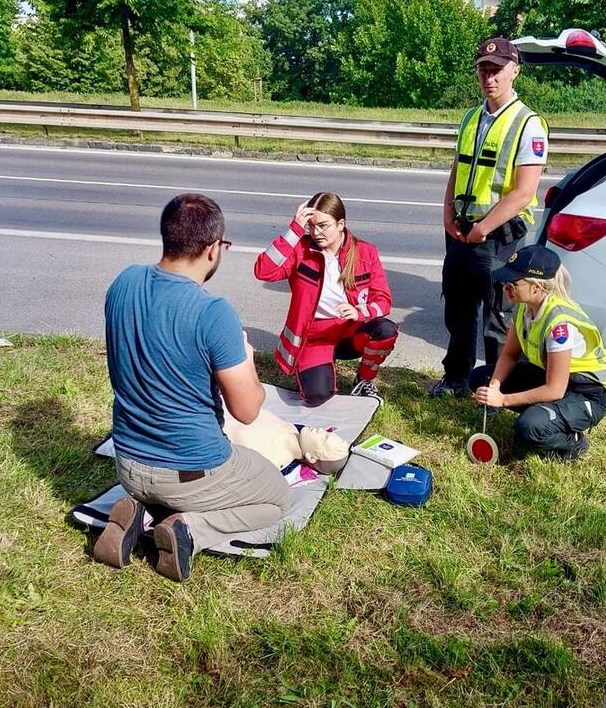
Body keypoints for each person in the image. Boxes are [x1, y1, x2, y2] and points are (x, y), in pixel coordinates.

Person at [94, 193, 291, 582]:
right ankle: (187, 530)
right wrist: (248, 362)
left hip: (128, 463)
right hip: (192, 470)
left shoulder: (124, 282)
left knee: (160, 484)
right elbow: (247, 411)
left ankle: (140, 511)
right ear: (213, 249)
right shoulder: (212, 312)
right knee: (277, 498)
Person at [431, 36, 549, 398]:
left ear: (514, 70)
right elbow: (458, 168)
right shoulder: (471, 117)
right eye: (484, 69)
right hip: (462, 232)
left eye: (497, 69)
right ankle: (456, 379)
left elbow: (523, 192)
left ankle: (495, 388)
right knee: (458, 311)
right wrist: (447, 211)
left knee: (497, 318)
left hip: (497, 237)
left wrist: (483, 227)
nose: (489, 77)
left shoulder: (528, 123)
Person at [469, 245, 606, 461]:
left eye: (512, 284)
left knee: (529, 428)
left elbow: (555, 390)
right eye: (505, 283)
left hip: (584, 393)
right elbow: (509, 355)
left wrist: (504, 400)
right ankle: (543, 413)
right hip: (552, 379)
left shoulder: (559, 325)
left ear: (536, 287)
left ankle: (573, 443)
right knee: (480, 378)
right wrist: (495, 387)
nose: (505, 288)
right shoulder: (524, 307)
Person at [255, 192, 398, 406]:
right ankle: (320, 365)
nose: (316, 232)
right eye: (311, 226)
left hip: (350, 331)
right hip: (314, 336)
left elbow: (384, 300)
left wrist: (360, 312)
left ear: (341, 224)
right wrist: (294, 229)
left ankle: (364, 380)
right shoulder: (300, 250)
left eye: (323, 225)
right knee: (317, 397)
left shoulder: (366, 252)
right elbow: (263, 271)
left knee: (385, 330)